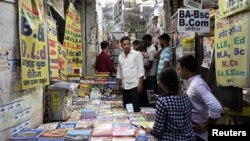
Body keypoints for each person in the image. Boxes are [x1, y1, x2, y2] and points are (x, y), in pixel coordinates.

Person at [177, 55, 223, 141]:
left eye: (179, 69)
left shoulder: (197, 84)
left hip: (200, 136)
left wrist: (206, 125)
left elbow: (216, 107)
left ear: (185, 70)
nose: (178, 72)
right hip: (194, 132)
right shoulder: (192, 83)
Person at [144, 68, 195, 141]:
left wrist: (150, 130)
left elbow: (157, 131)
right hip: (189, 138)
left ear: (163, 84)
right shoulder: (186, 96)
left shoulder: (163, 101)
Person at [115, 36, 144, 112]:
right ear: (121, 46)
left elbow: (141, 70)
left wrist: (140, 85)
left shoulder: (137, 54)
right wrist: (117, 85)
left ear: (130, 44)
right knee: (126, 108)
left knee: (135, 109)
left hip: (135, 85)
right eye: (124, 44)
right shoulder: (120, 56)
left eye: (128, 44)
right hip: (125, 86)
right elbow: (119, 71)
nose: (126, 46)